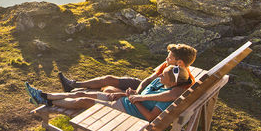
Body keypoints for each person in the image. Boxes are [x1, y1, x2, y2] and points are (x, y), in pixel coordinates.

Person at [25, 65, 191, 122]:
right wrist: (126, 94)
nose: (160, 75)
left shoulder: (166, 99)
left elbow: (149, 118)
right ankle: (45, 95)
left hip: (126, 112)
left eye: (164, 75)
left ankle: (46, 102)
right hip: (123, 101)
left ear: (173, 83)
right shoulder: (158, 82)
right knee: (81, 92)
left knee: (82, 101)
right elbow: (139, 95)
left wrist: (136, 100)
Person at [58, 44, 197, 102]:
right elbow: (148, 80)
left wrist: (137, 95)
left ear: (179, 63)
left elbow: (160, 96)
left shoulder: (181, 82)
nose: (166, 59)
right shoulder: (170, 67)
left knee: (109, 90)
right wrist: (139, 90)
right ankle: (74, 85)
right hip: (143, 90)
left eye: (170, 57)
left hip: (145, 98)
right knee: (109, 78)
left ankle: (76, 94)